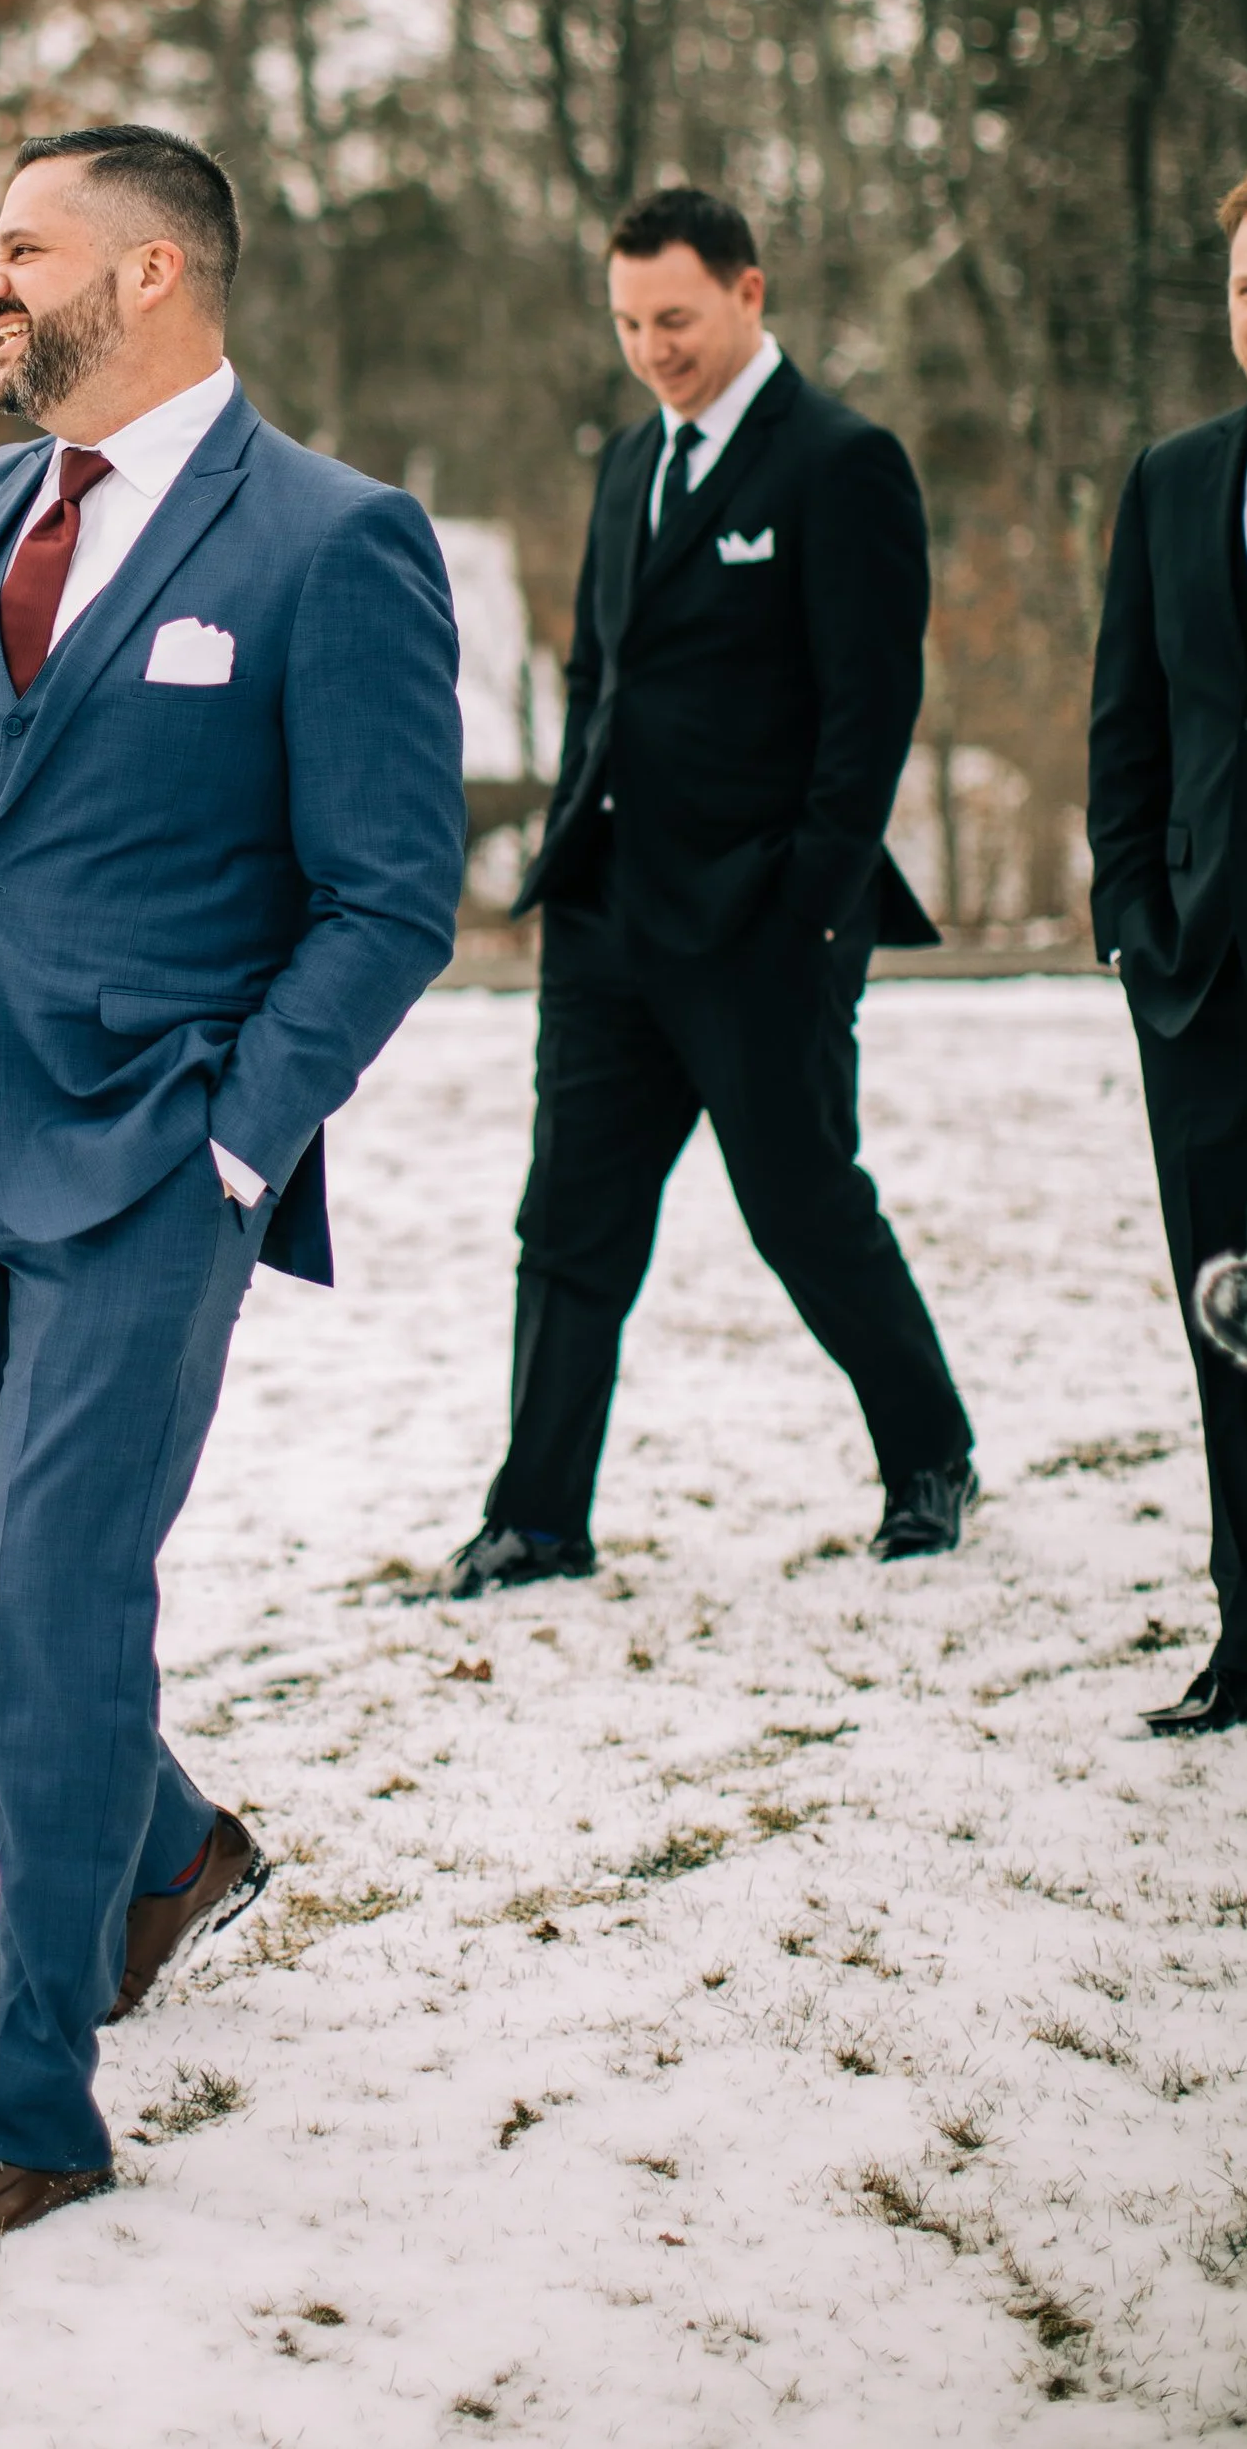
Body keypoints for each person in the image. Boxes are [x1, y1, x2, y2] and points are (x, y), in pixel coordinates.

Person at [0, 124, 465, 2265]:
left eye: (18, 253)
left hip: (145, 1160)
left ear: (155, 272)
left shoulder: (331, 543)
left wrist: (232, 1139)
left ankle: (32, 2100)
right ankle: (165, 1847)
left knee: (65, 1586)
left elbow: (386, 897)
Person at [429, 185, 976, 1603]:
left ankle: (930, 1455)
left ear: (749, 289)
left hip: (762, 928)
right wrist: (567, 851)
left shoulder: (843, 463)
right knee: (567, 1225)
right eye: (626, 323)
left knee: (803, 1208)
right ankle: (538, 1517)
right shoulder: (627, 463)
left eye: (674, 317)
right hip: (607, 919)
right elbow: (599, 674)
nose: (651, 347)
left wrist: (810, 901)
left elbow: (872, 710)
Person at [1087, 168, 1247, 1734]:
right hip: (1207, 983)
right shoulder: (1179, 476)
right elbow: (1127, 725)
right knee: (1228, 1319)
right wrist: (1135, 925)